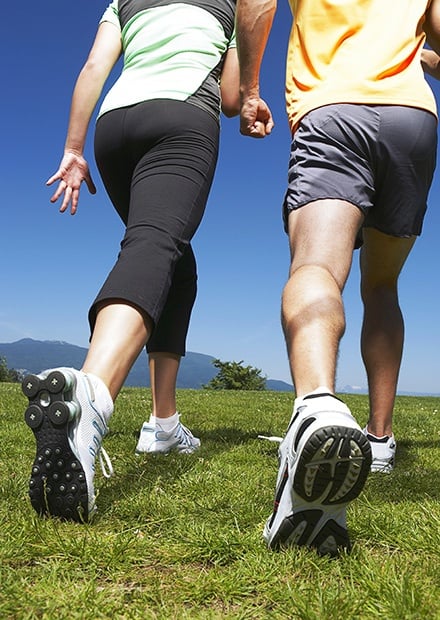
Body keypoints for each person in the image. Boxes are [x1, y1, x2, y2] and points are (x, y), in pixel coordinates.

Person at [22, 0, 239, 523]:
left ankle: (163, 424)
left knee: (176, 262)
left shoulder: (124, 1)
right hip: (182, 114)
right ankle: (91, 398)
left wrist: (73, 148)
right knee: (154, 242)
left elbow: (95, 67)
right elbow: (231, 99)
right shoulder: (230, 5)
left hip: (113, 127)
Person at [236, 0, 439, 554]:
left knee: (318, 265)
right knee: (383, 287)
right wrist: (419, 55)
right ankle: (377, 440)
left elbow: (255, 3)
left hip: (333, 110)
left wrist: (251, 90)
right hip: (413, 120)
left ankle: (316, 408)